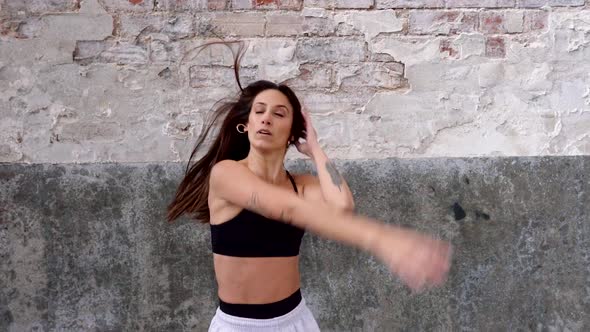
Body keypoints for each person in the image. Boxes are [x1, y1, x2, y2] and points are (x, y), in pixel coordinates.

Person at [167, 42, 452, 332]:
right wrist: (380, 238)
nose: (267, 118)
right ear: (246, 125)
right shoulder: (226, 174)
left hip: (295, 321)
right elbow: (285, 208)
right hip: (238, 325)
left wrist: (315, 149)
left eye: (279, 114)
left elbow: (342, 207)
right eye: (259, 111)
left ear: (293, 132)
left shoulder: (300, 185)